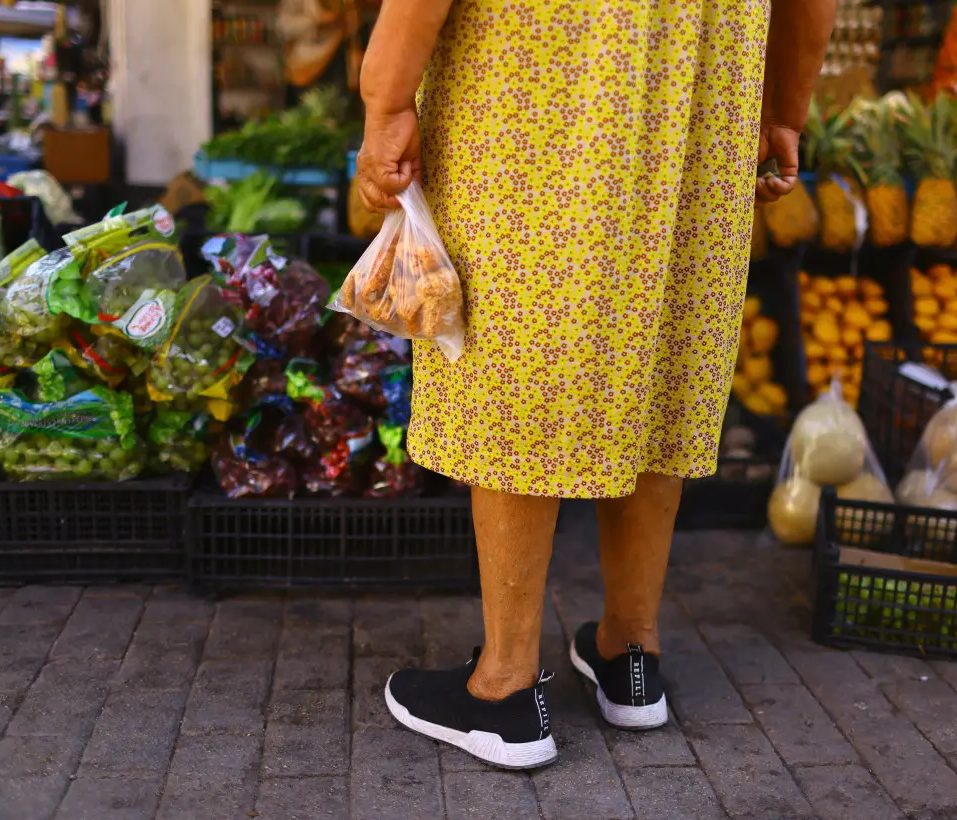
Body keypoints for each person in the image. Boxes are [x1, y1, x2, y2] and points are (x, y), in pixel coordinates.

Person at [357, 0, 835, 769]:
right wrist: (787, 107)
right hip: (701, 107)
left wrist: (384, 102)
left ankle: (506, 687)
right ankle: (630, 654)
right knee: (659, 356)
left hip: (540, 97)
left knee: (526, 354)